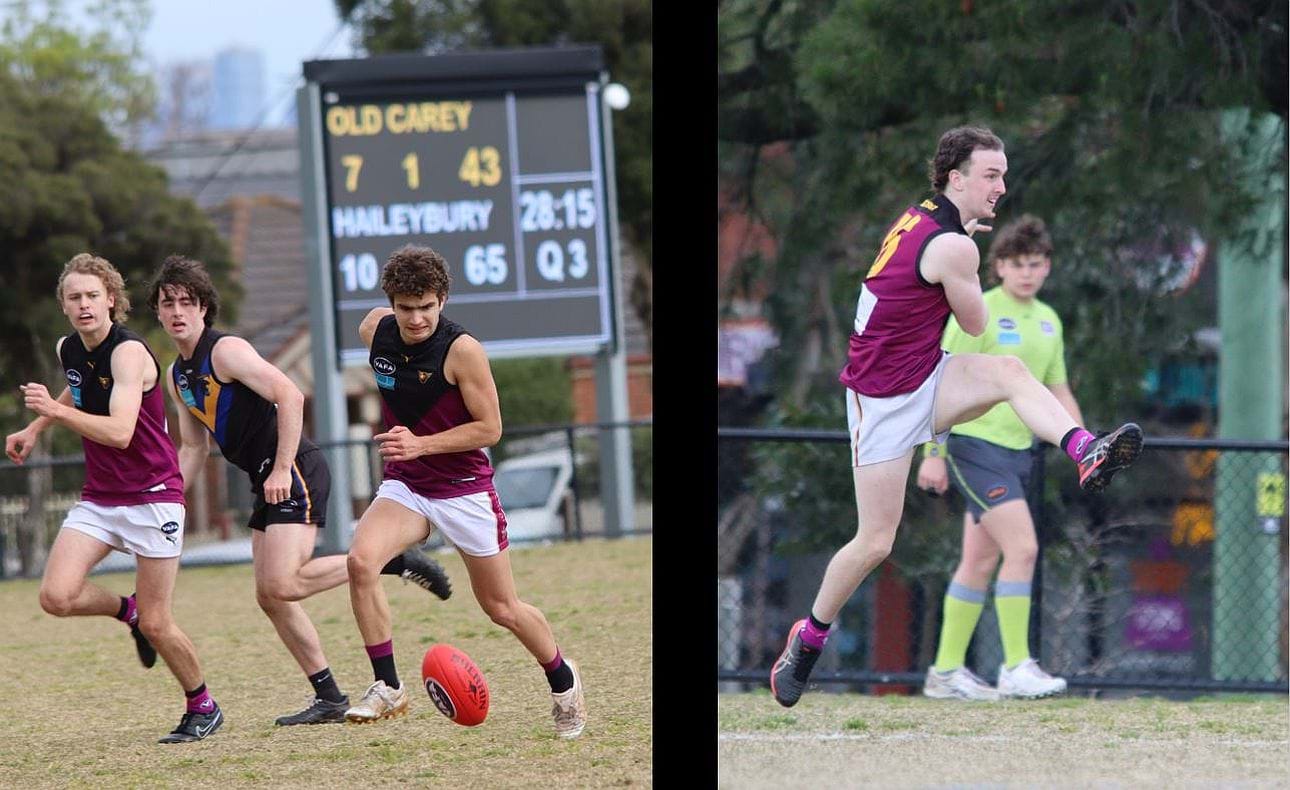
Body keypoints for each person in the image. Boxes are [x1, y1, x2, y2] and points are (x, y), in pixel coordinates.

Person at [770, 127, 1143, 708]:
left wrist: (959, 246)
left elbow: (930, 284)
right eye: (990, 174)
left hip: (925, 374)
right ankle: (809, 637)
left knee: (1011, 373)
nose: (1002, 185)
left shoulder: (928, 221)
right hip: (882, 401)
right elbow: (972, 324)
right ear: (956, 178)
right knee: (874, 542)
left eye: (1003, 173)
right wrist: (962, 254)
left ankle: (1084, 448)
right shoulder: (954, 246)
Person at [145, 254, 454, 726]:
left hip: (295, 469)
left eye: (187, 302)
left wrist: (282, 468)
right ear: (159, 312)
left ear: (205, 308)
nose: (177, 311)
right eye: (168, 303)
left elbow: (289, 394)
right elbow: (191, 446)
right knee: (270, 596)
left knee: (285, 583)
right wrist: (167, 497)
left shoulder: (225, 351)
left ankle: (393, 562)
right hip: (264, 474)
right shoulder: (176, 375)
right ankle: (329, 697)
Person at [342, 244, 587, 739]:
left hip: (462, 489)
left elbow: (491, 428)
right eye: (406, 308)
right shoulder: (373, 329)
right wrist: (406, 442)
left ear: (443, 299)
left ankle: (564, 682)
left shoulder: (462, 350)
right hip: (409, 485)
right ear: (390, 302)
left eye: (427, 307)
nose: (416, 319)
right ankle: (388, 686)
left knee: (501, 609)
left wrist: (419, 442)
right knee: (360, 561)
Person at [5, 253, 223, 743]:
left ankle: (203, 706)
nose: (84, 305)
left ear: (112, 301)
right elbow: (75, 388)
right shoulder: (70, 348)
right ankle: (128, 614)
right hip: (102, 498)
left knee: (161, 621)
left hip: (152, 498)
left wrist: (54, 416)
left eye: (92, 296)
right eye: (74, 297)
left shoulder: (129, 354)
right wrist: (36, 426)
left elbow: (121, 432)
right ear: (64, 305)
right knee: (56, 597)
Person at [916, 215, 1075, 701]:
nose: (1027, 272)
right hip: (972, 446)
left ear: (1046, 267)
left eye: (1036, 263)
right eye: (1016, 263)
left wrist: (1086, 445)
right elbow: (941, 384)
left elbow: (1057, 389)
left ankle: (944, 673)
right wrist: (933, 454)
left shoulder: (1050, 320)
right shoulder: (978, 313)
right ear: (999, 267)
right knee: (1023, 548)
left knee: (979, 561)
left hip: (1018, 455)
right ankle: (1015, 666)